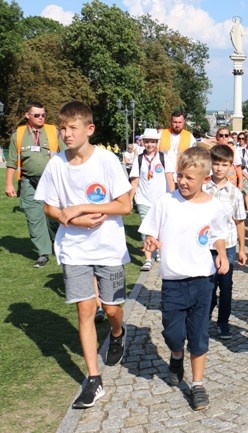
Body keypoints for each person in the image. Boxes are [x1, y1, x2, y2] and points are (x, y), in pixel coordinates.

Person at [34, 101, 131, 409]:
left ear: (89, 129)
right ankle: (93, 379)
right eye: (62, 128)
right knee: (85, 310)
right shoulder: (56, 165)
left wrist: (83, 207)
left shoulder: (106, 161)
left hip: (108, 247)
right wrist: (71, 218)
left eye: (72, 128)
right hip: (73, 248)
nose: (66, 134)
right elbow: (48, 206)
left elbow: (124, 206)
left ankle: (117, 332)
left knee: (112, 307)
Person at [138, 147, 230, 411]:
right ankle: (176, 355)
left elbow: (217, 235)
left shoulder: (214, 206)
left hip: (203, 280)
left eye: (189, 177)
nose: (183, 181)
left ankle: (198, 385)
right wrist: (151, 241)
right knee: (173, 334)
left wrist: (222, 253)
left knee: (199, 335)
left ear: (204, 178)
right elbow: (150, 232)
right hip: (173, 281)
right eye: (180, 175)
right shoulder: (166, 202)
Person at [5, 101, 65, 268]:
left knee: (53, 216)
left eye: (43, 115)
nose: (41, 118)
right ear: (27, 115)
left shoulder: (54, 131)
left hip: (52, 181)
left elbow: (67, 154)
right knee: (34, 217)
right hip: (29, 182)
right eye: (37, 115)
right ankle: (42, 253)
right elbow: (11, 162)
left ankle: (56, 242)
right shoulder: (18, 134)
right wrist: (8, 184)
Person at [205, 144, 248, 339]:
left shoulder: (235, 193)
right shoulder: (203, 188)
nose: (219, 168)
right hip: (206, 246)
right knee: (208, 286)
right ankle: (204, 317)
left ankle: (223, 323)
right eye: (216, 164)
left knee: (226, 285)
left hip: (228, 245)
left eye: (224, 164)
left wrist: (242, 248)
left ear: (231, 166)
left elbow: (239, 222)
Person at [128, 128, 175, 271]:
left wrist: (173, 197)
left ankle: (159, 250)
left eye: (153, 142)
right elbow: (135, 181)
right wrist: (130, 200)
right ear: (143, 142)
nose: (150, 145)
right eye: (147, 142)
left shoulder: (163, 157)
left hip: (161, 199)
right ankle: (147, 258)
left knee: (161, 228)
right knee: (145, 228)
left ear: (157, 143)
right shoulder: (139, 159)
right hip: (143, 199)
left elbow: (169, 178)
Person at [158, 110, 197, 179]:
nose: (177, 125)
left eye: (180, 122)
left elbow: (194, 157)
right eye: (175, 122)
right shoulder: (161, 134)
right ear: (171, 122)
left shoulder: (189, 136)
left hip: (181, 176)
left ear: (184, 122)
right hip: (162, 175)